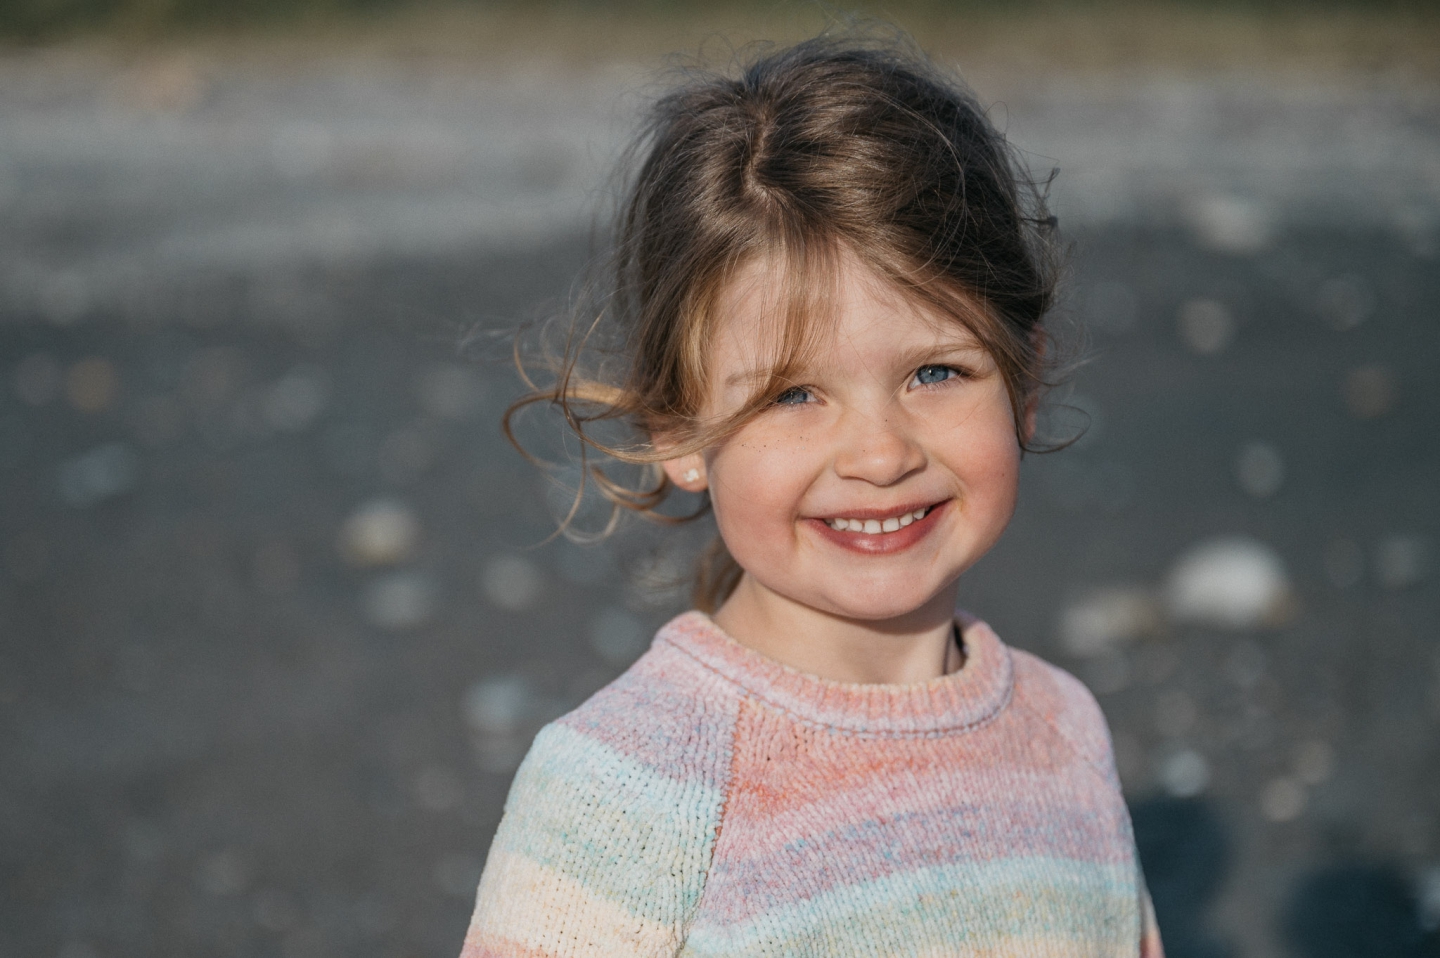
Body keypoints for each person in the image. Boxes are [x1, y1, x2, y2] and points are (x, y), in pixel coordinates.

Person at [460, 32, 1164, 958]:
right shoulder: (626, 789)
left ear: (1023, 381)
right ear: (676, 427)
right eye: (792, 395)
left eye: (937, 374)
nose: (878, 454)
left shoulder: (1063, 733)